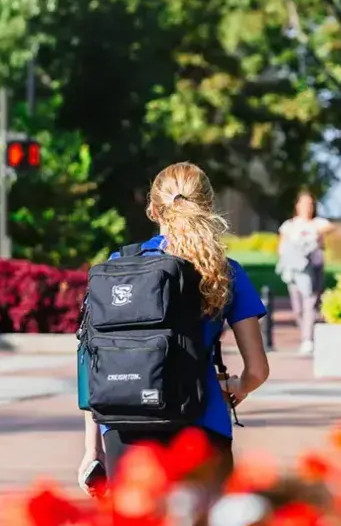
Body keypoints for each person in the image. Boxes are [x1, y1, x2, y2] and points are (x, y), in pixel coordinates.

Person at [78, 163, 270, 491]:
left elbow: (90, 361)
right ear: (207, 207)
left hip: (126, 425)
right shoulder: (225, 272)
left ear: (153, 210)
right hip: (202, 420)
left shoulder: (116, 266)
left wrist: (91, 450)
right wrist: (237, 387)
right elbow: (257, 369)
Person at [277, 191, 335, 356]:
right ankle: (307, 332)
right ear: (297, 206)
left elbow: (329, 227)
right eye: (304, 203)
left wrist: (317, 233)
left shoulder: (317, 223)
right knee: (298, 308)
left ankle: (307, 339)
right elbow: (281, 245)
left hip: (314, 268)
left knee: (310, 302)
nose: (307, 207)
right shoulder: (290, 225)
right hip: (295, 269)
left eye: (310, 204)